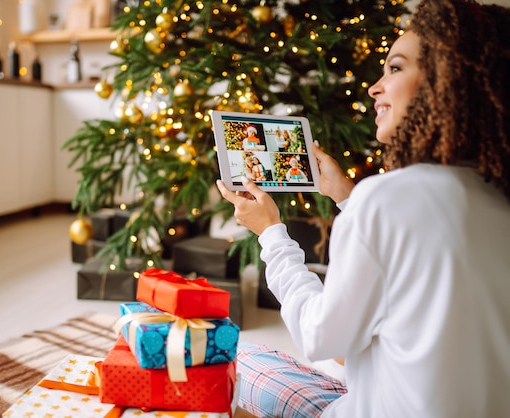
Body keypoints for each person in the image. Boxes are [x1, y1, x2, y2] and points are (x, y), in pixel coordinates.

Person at [217, 0, 510, 416]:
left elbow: (319, 336)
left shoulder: (387, 197)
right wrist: (347, 195)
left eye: (395, 68)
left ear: (448, 81)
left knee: (242, 356)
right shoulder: (496, 194)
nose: (375, 88)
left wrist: (270, 233)